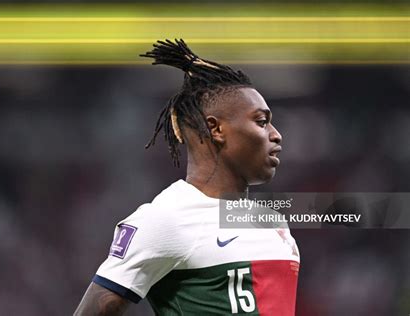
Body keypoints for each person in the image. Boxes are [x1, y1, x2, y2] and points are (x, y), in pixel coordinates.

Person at [74, 39, 300, 316]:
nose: (276, 135)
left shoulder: (273, 222)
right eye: (261, 122)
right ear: (216, 129)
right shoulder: (165, 220)